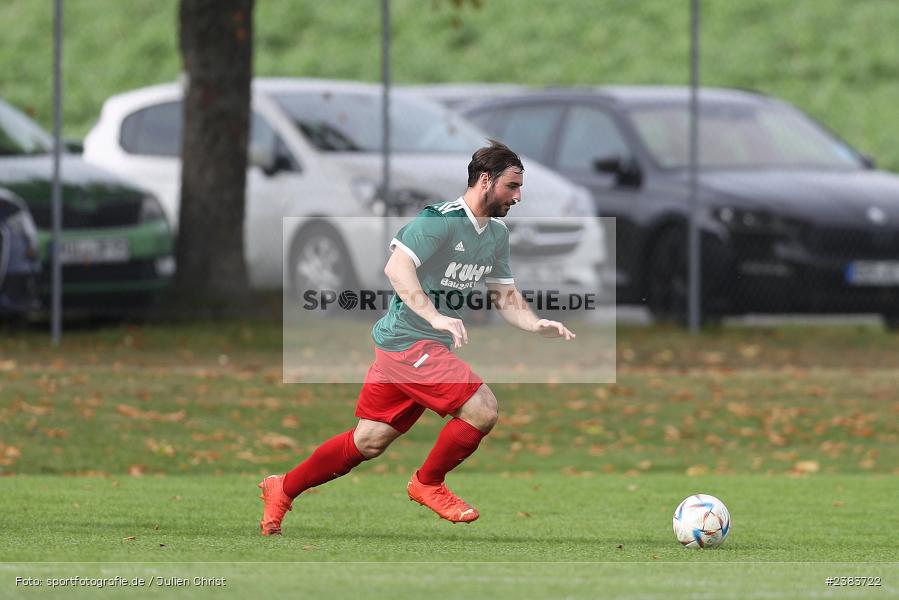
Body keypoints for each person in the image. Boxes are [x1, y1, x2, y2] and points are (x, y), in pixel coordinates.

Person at [259, 140, 575, 535]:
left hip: (416, 348)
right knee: (482, 408)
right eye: (512, 186)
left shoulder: (495, 235)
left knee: (368, 441)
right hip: (409, 342)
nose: (519, 195)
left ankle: (282, 488)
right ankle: (428, 483)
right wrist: (434, 315)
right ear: (484, 180)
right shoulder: (439, 221)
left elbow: (505, 296)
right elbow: (396, 267)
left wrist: (534, 323)